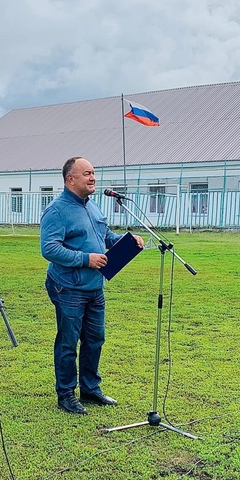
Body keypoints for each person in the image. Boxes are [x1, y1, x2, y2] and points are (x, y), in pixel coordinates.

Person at [40, 157, 144, 415]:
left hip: (94, 287)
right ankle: (66, 394)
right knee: (68, 342)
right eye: (87, 173)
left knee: (95, 339)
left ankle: (89, 389)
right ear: (70, 179)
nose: (93, 178)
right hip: (68, 288)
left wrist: (127, 241)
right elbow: (49, 248)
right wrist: (86, 259)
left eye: (94, 173)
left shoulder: (93, 206)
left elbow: (104, 236)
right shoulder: (57, 211)